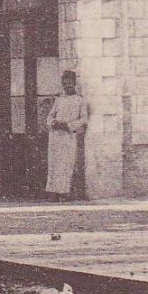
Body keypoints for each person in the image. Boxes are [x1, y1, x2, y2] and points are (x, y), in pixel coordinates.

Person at [45, 71, 90, 201]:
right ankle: (53, 192)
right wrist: (53, 123)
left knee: (66, 164)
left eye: (69, 84)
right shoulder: (59, 100)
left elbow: (84, 119)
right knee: (54, 164)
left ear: (74, 84)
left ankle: (64, 192)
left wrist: (69, 125)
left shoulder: (80, 100)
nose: (67, 86)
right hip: (55, 136)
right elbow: (50, 116)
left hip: (68, 137)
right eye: (65, 84)